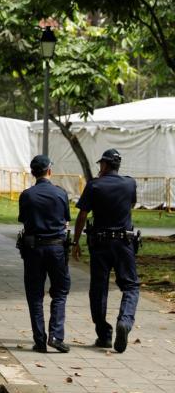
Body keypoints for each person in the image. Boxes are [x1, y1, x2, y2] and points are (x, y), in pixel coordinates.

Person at [72, 148, 140, 353]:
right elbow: (132, 204)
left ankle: (104, 334)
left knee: (98, 289)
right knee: (130, 286)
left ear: (105, 165)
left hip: (100, 245)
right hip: (124, 244)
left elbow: (83, 215)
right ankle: (125, 322)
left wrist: (75, 242)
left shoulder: (94, 185)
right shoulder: (130, 183)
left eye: (100, 164)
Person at [18, 155, 71, 353]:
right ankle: (56, 335)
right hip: (57, 248)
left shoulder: (27, 195)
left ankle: (40, 340)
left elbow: (23, 219)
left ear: (33, 173)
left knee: (34, 294)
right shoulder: (60, 193)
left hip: (33, 249)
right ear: (50, 170)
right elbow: (66, 219)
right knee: (59, 292)